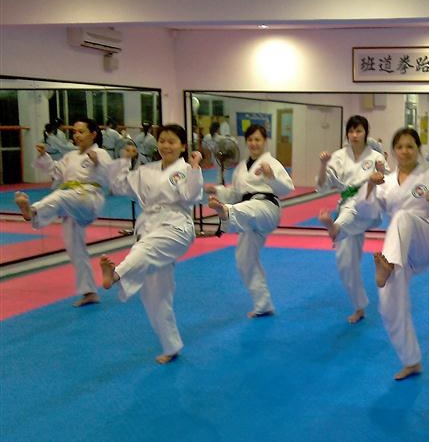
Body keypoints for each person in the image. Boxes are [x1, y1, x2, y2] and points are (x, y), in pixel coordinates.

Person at [355, 128, 429, 380]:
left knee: (403, 217)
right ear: (394, 151)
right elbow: (366, 212)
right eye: (400, 147)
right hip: (398, 247)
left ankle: (387, 267)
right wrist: (370, 185)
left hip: (425, 239)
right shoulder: (386, 182)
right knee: (388, 302)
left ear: (418, 150)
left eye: (410, 146)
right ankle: (411, 360)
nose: (404, 151)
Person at [99, 124, 203, 364]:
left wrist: (195, 168)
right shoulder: (146, 170)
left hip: (176, 226)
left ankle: (116, 275)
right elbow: (119, 186)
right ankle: (171, 345)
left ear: (183, 146)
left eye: (172, 141)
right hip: (149, 225)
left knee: (145, 248)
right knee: (155, 293)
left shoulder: (185, 170)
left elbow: (191, 196)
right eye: (162, 140)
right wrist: (125, 160)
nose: (166, 145)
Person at [15, 117, 112, 307]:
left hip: (88, 199)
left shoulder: (101, 153)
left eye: (81, 131)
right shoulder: (70, 156)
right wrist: (44, 156)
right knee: (75, 248)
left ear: (93, 134)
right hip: (72, 202)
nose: (77, 135)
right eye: (74, 132)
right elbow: (55, 171)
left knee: (60, 196)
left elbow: (108, 178)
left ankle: (33, 212)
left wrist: (97, 163)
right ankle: (89, 292)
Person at [206, 124, 295, 318]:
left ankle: (226, 213)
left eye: (258, 139)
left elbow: (288, 188)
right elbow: (235, 194)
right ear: (246, 142)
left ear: (265, 141)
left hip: (267, 208)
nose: (254, 143)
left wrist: (271, 177)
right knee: (244, 259)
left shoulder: (271, 163)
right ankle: (263, 305)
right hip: (249, 216)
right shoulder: (240, 168)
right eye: (251, 140)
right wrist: (217, 190)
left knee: (249, 209)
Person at [317, 115, 387, 324]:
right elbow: (321, 185)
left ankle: (335, 228)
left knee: (355, 207)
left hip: (369, 204)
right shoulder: (339, 156)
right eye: (351, 131)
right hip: (348, 209)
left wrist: (379, 175)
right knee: (346, 264)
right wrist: (323, 164)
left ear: (366, 133)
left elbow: (388, 183)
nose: (354, 135)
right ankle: (359, 307)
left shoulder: (376, 157)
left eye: (359, 131)